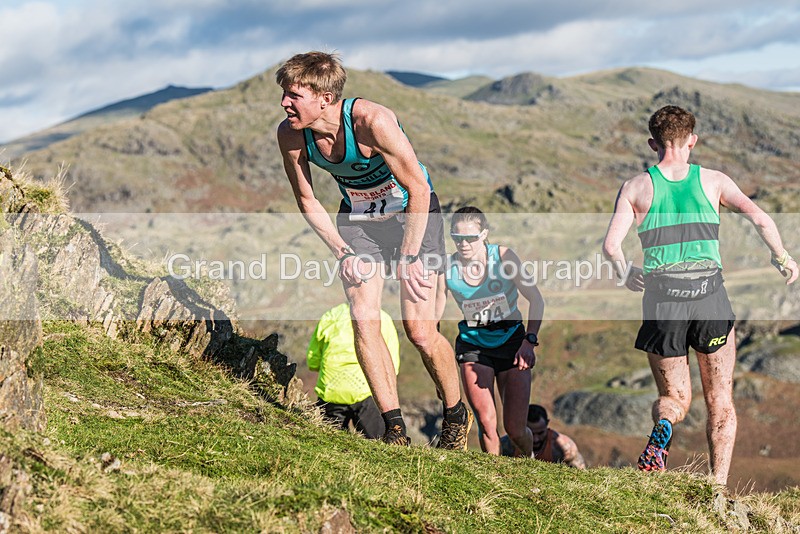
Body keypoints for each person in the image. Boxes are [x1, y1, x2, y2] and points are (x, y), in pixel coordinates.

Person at [276, 51, 471, 448]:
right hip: (360, 222)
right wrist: (342, 252)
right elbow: (308, 200)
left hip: (414, 217)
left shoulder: (371, 122)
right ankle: (394, 429)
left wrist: (410, 257)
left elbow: (419, 189)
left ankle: (455, 414)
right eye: (284, 94)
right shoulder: (291, 134)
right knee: (364, 319)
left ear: (325, 98)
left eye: (294, 95)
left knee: (419, 331)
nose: (284, 104)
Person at [602, 105, 798, 485]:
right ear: (692, 140)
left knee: (674, 400)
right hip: (709, 296)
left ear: (652, 143)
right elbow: (760, 218)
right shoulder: (714, 181)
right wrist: (783, 258)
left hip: (662, 300)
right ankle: (718, 485)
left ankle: (662, 429)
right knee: (720, 400)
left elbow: (611, 246)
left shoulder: (636, 187)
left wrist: (626, 274)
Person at [440, 207, 545, 456]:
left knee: (516, 429)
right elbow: (435, 312)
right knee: (487, 423)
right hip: (473, 345)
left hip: (513, 342)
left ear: (484, 234)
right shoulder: (446, 267)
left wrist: (529, 341)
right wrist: (437, 366)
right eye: (457, 238)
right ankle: (494, 479)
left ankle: (530, 463)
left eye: (470, 238)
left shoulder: (504, 257)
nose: (463, 244)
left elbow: (536, 299)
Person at [308, 303, 400, 439]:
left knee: (326, 443)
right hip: (366, 391)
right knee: (380, 443)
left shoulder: (330, 315)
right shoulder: (383, 318)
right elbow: (393, 365)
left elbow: (313, 360)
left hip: (331, 391)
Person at [500, 405, 586, 468]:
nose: (536, 439)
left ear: (547, 424)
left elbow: (581, 473)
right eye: (531, 434)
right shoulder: (508, 444)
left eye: (540, 433)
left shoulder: (563, 446)